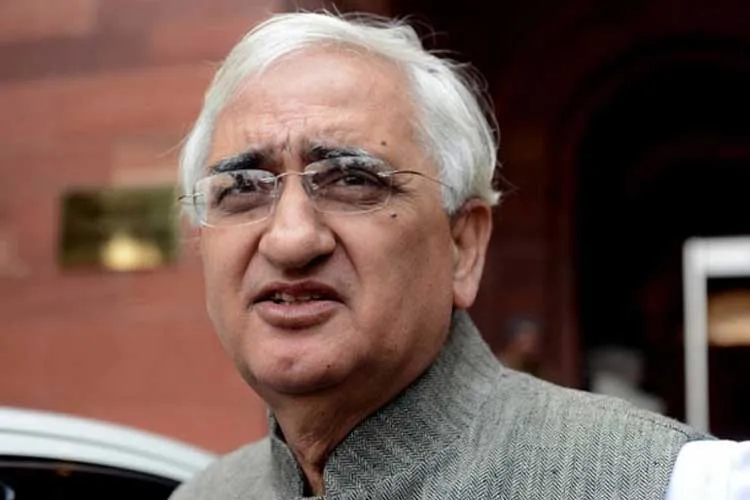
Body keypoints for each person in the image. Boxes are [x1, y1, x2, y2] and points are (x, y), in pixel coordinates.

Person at [170, 10, 749, 500]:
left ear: (463, 246)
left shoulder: (674, 484)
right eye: (241, 188)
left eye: (351, 180)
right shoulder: (202, 495)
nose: (291, 239)